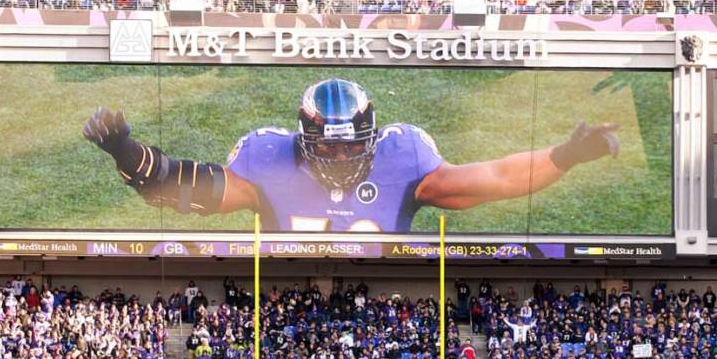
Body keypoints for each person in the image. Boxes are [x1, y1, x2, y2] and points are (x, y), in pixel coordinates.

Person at [84, 78, 619, 233]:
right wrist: (129, 155)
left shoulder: (405, 159)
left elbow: (498, 178)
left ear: (372, 135)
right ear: (305, 135)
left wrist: (564, 156)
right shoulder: (268, 158)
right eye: (329, 142)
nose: (339, 154)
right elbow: (190, 192)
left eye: (349, 142)